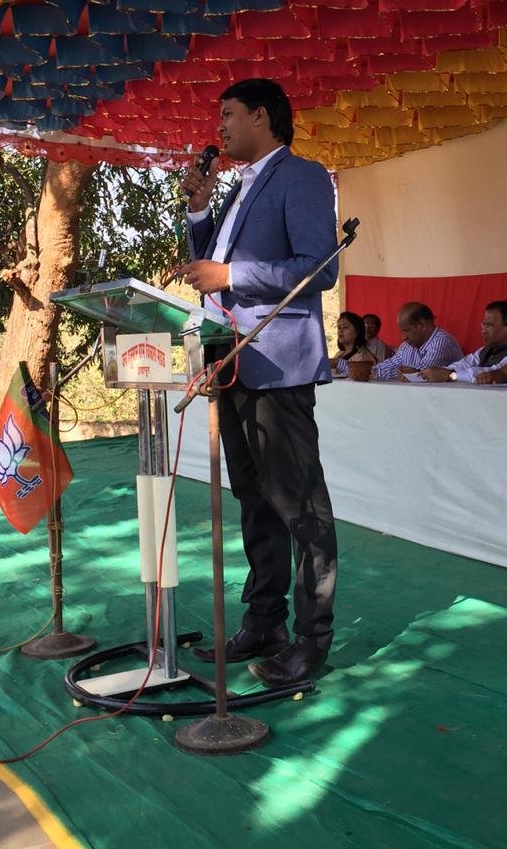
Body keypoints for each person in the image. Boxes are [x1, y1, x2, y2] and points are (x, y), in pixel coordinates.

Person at [178, 77, 338, 685]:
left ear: (262, 117)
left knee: (300, 504)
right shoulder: (238, 188)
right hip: (231, 359)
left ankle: (311, 638)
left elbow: (318, 267)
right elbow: (209, 266)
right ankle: (265, 619)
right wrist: (200, 211)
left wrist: (232, 276)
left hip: (277, 361)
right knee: (254, 497)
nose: (219, 127)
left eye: (228, 114)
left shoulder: (301, 177)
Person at [419, 300, 507, 383]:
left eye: (489, 325)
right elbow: (463, 364)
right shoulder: (485, 350)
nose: (483, 330)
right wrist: (432, 372)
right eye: (483, 324)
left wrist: (450, 375)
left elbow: (491, 373)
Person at [373, 302, 464, 380]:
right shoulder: (407, 345)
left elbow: (420, 375)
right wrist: (370, 371)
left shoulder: (442, 341)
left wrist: (374, 373)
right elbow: (391, 363)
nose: (403, 337)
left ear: (421, 325)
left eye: (406, 330)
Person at [331, 311, 374, 376]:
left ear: (357, 331)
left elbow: (360, 374)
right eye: (339, 327)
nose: (340, 331)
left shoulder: (362, 355)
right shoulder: (339, 354)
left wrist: (337, 363)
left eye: (345, 327)